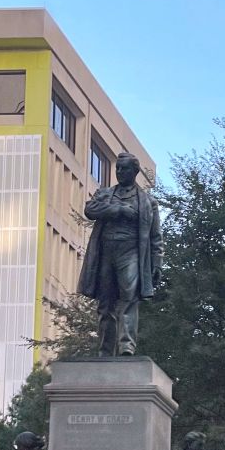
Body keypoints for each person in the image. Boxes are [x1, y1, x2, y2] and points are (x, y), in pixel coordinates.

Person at [77, 151, 163, 356]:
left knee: (129, 298)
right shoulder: (105, 194)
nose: (120, 172)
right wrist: (118, 210)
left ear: (135, 171)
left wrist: (157, 263)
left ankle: (126, 346)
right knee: (105, 302)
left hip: (131, 252)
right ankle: (105, 349)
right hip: (106, 252)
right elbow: (90, 210)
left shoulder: (147, 201)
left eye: (124, 169)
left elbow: (155, 236)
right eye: (118, 168)